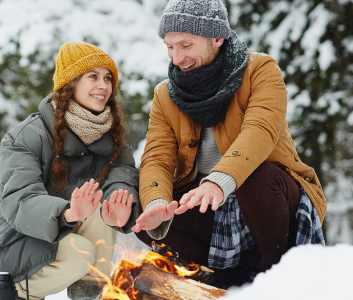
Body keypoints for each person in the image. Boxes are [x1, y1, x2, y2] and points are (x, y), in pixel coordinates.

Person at [132, 0, 326, 289]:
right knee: (141, 210)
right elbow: (157, 157)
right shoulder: (165, 94)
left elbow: (260, 130)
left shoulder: (261, 70)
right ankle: (218, 277)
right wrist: (158, 202)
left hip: (271, 198)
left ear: (217, 38)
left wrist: (219, 181)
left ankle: (277, 280)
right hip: (209, 209)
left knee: (255, 179)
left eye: (186, 45)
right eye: (170, 47)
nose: (176, 58)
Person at [0, 41, 141, 300]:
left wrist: (122, 205)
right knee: (78, 254)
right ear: (70, 83)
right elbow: (21, 200)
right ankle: (10, 294)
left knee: (103, 208)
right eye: (92, 76)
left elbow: (122, 177)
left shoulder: (113, 136)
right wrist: (68, 213)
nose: (103, 86)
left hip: (63, 230)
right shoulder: (27, 136)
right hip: (9, 239)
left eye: (108, 78)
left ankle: (91, 294)